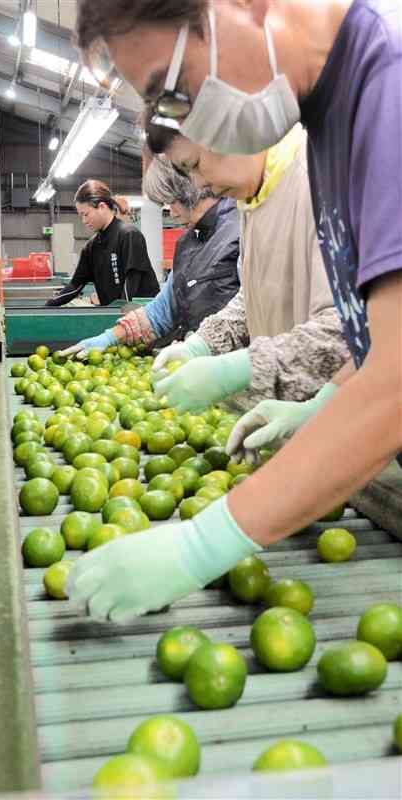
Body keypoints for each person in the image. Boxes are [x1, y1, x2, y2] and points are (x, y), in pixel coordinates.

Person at [64, 0, 402, 623]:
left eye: (172, 86)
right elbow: (379, 339)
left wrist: (202, 544)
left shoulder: (388, 92)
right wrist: (323, 403)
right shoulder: (331, 120)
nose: (182, 122)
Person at [146, 120, 349, 413]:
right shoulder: (252, 199)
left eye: (196, 164)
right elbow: (258, 293)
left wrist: (241, 368)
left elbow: (349, 327)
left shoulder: (319, 181)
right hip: (289, 415)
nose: (198, 184)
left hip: (345, 417)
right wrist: (205, 342)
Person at [62, 155, 240, 358]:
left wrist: (200, 347)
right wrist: (110, 337)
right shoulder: (188, 242)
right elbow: (164, 309)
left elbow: (249, 316)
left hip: (235, 370)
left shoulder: (241, 230)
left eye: (171, 201)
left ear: (190, 191)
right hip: (198, 367)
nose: (171, 213)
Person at [46, 179, 159, 307]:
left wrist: (117, 314)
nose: (83, 220)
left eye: (86, 214)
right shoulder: (91, 248)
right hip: (115, 315)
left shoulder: (129, 236)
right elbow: (75, 285)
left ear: (102, 207)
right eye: (81, 216)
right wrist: (48, 306)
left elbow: (130, 286)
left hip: (142, 317)